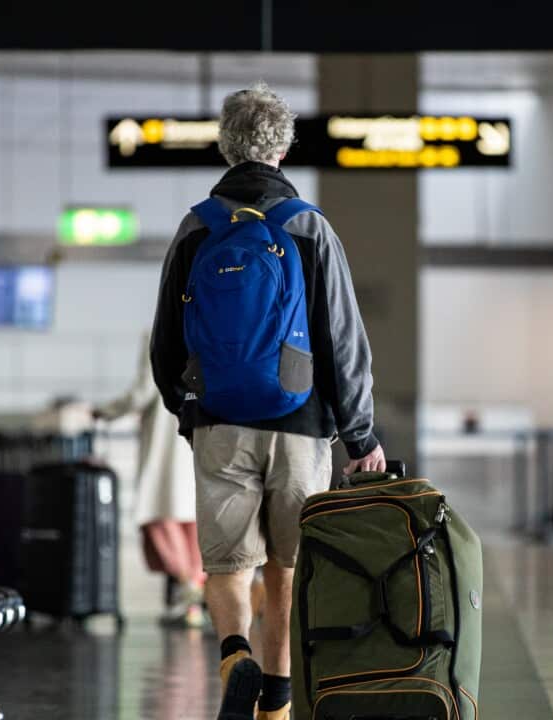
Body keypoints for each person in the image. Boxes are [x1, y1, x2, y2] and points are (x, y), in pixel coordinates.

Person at [150, 82, 385, 720]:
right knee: (286, 567)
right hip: (300, 422)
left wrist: (188, 408)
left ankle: (235, 657)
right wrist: (360, 435)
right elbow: (342, 338)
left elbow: (166, 339)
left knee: (228, 563)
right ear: (283, 149)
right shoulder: (308, 226)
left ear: (226, 147)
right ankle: (275, 710)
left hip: (219, 419)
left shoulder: (197, 226)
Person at [95, 334, 207, 628]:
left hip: (166, 442)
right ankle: (193, 597)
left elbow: (143, 391)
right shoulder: (207, 326)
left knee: (159, 516)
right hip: (198, 435)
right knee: (191, 520)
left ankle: (188, 589)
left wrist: (105, 412)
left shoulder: (159, 332)